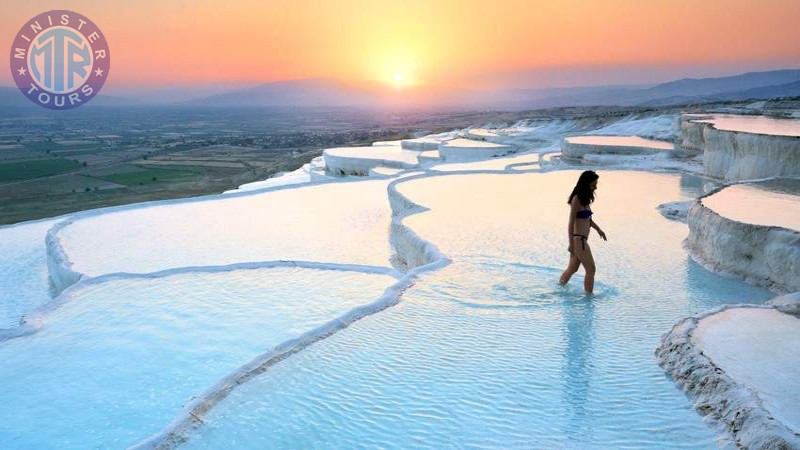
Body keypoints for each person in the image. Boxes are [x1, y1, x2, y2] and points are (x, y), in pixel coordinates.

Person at [559, 170, 607, 294]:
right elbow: (570, 223)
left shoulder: (585, 200)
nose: (595, 187)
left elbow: (588, 220)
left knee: (572, 269)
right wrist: (571, 244)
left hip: (581, 240)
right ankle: (588, 298)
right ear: (586, 184)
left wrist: (599, 230)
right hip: (578, 240)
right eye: (593, 184)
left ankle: (559, 288)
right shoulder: (577, 199)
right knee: (591, 270)